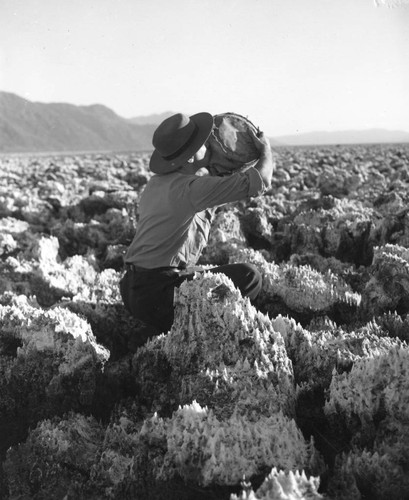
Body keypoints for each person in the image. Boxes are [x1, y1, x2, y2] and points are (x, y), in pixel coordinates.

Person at [120, 112, 274, 344]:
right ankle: (197, 337)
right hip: (160, 295)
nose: (209, 143)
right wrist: (266, 151)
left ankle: (158, 329)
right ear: (191, 157)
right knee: (249, 277)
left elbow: (210, 194)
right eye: (203, 143)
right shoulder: (192, 189)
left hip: (132, 290)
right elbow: (261, 181)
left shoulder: (156, 184)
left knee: (206, 273)